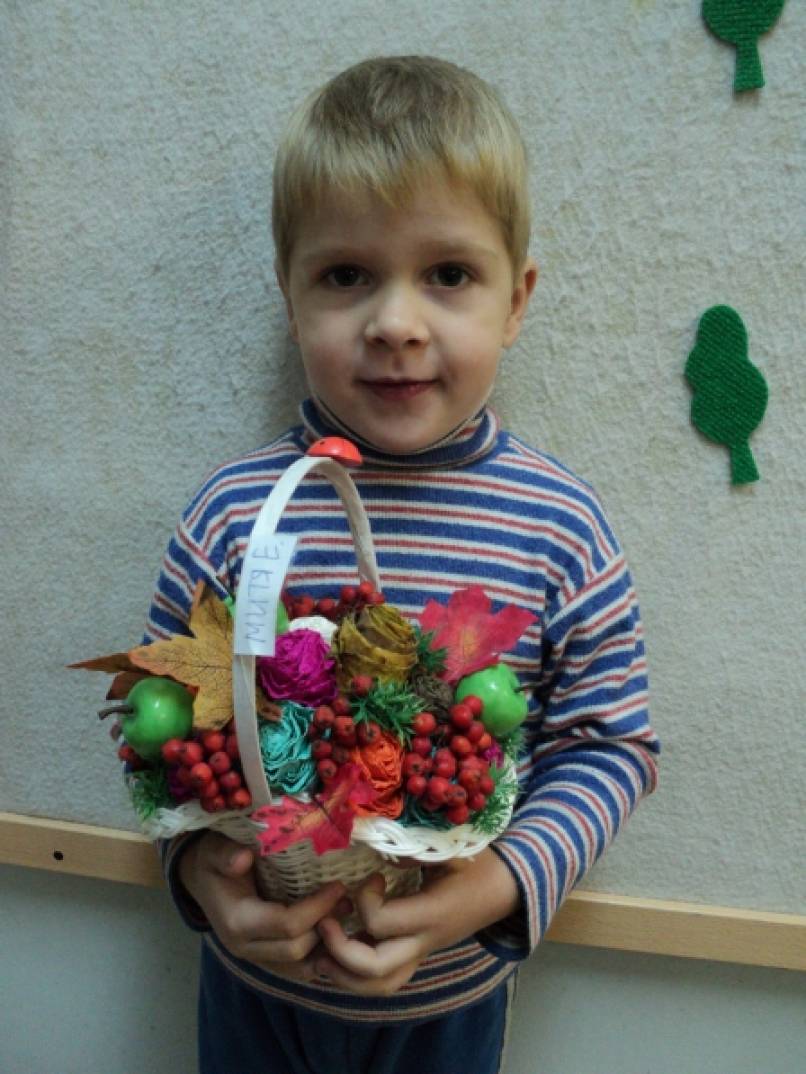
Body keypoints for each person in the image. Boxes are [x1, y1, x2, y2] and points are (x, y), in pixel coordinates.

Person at [146, 55, 660, 1074]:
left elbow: (611, 746)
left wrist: (495, 888)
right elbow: (162, 741)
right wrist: (200, 873)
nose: (394, 323)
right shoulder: (233, 517)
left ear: (515, 301)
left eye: (448, 275)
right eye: (345, 275)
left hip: (447, 1005)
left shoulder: (558, 527)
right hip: (254, 996)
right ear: (289, 295)